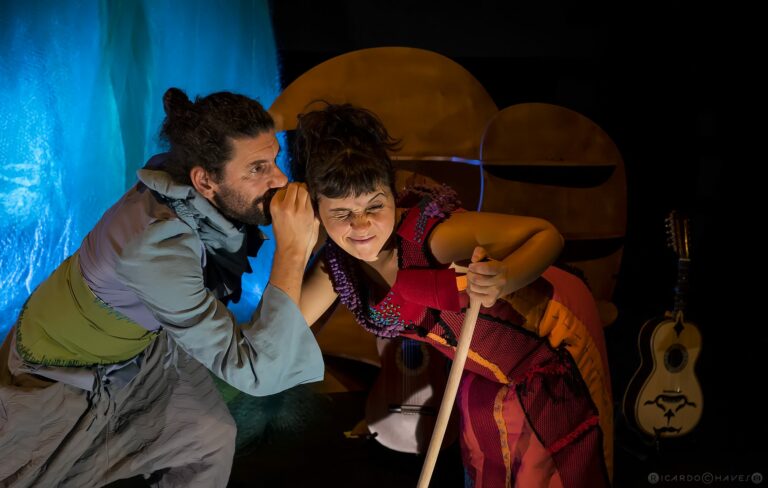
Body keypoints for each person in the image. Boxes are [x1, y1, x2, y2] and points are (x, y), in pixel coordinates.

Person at [0, 88, 323, 487]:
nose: (280, 179)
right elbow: (256, 373)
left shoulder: (182, 183)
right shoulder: (157, 248)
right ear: (205, 181)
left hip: (143, 347)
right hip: (61, 373)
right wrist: (292, 251)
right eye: (257, 168)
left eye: (273, 160)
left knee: (210, 441)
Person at [294, 103, 613, 488]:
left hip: (548, 340)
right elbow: (285, 332)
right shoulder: (336, 265)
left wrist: (505, 277)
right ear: (317, 211)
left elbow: (545, 235)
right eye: (342, 213)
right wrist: (292, 243)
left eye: (374, 206)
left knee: (549, 469)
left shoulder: (433, 237)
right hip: (483, 367)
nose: (361, 226)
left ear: (392, 194)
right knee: (488, 465)